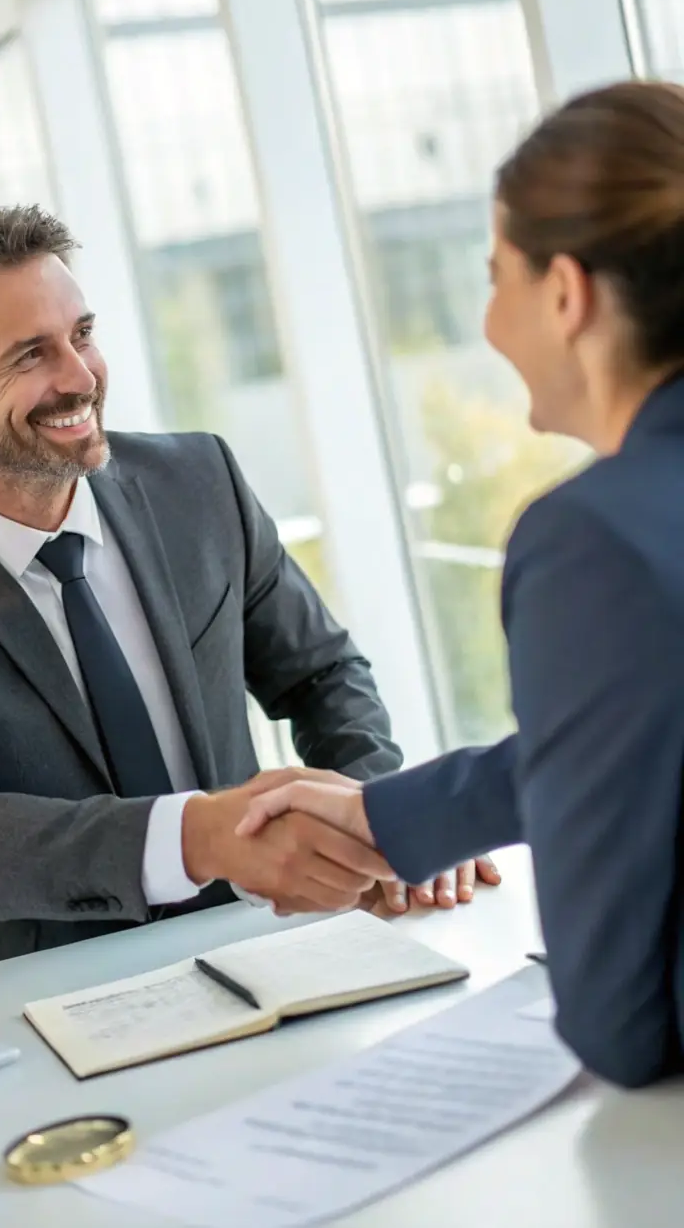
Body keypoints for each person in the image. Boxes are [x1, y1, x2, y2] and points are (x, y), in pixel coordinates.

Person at [0, 206, 496, 985]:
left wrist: (369, 824)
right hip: (16, 994)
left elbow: (321, 674)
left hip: (250, 948)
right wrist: (207, 835)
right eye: (32, 354)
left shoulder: (200, 482)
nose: (80, 375)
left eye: (82, 334)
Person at [237, 81, 684, 1090]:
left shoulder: (590, 539)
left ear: (565, 293)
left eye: (496, 279)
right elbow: (648, 717)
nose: (486, 322)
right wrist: (396, 819)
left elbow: (620, 1026)